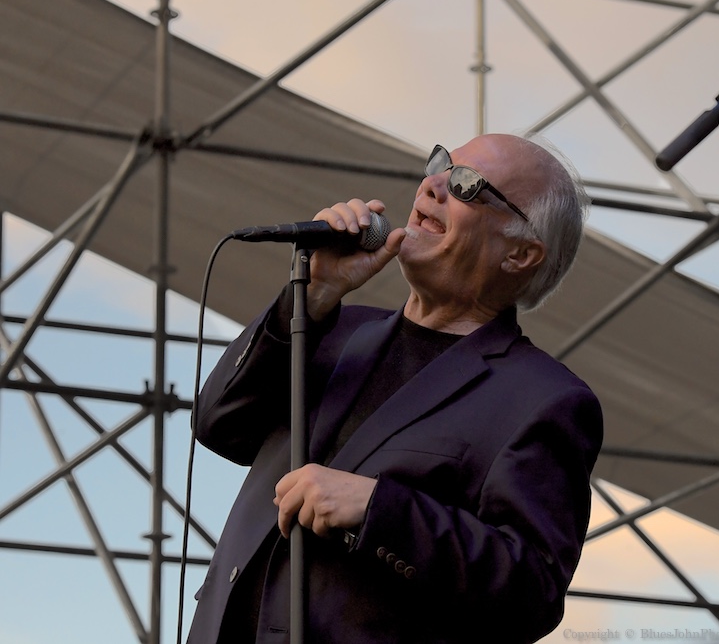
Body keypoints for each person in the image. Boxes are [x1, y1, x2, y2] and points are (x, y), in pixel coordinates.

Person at [187, 133, 603, 644]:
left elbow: (530, 591)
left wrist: (380, 509)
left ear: (519, 255)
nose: (432, 186)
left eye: (468, 185)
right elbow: (218, 423)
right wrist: (314, 295)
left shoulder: (543, 398)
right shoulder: (329, 327)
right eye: (441, 165)